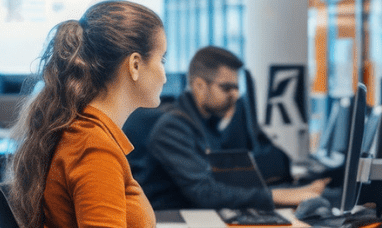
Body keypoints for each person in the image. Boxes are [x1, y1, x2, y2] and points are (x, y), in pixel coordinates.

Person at [5, 0, 335, 228]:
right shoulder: (92, 151)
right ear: (134, 65)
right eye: (161, 60)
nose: (164, 74)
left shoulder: (87, 138)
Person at [128, 46, 327, 211]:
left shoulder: (203, 125)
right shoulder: (173, 127)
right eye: (226, 88)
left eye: (236, 88)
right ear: (199, 86)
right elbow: (205, 192)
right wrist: (279, 196)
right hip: (168, 225)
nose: (235, 95)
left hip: (191, 219)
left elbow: (221, 181)